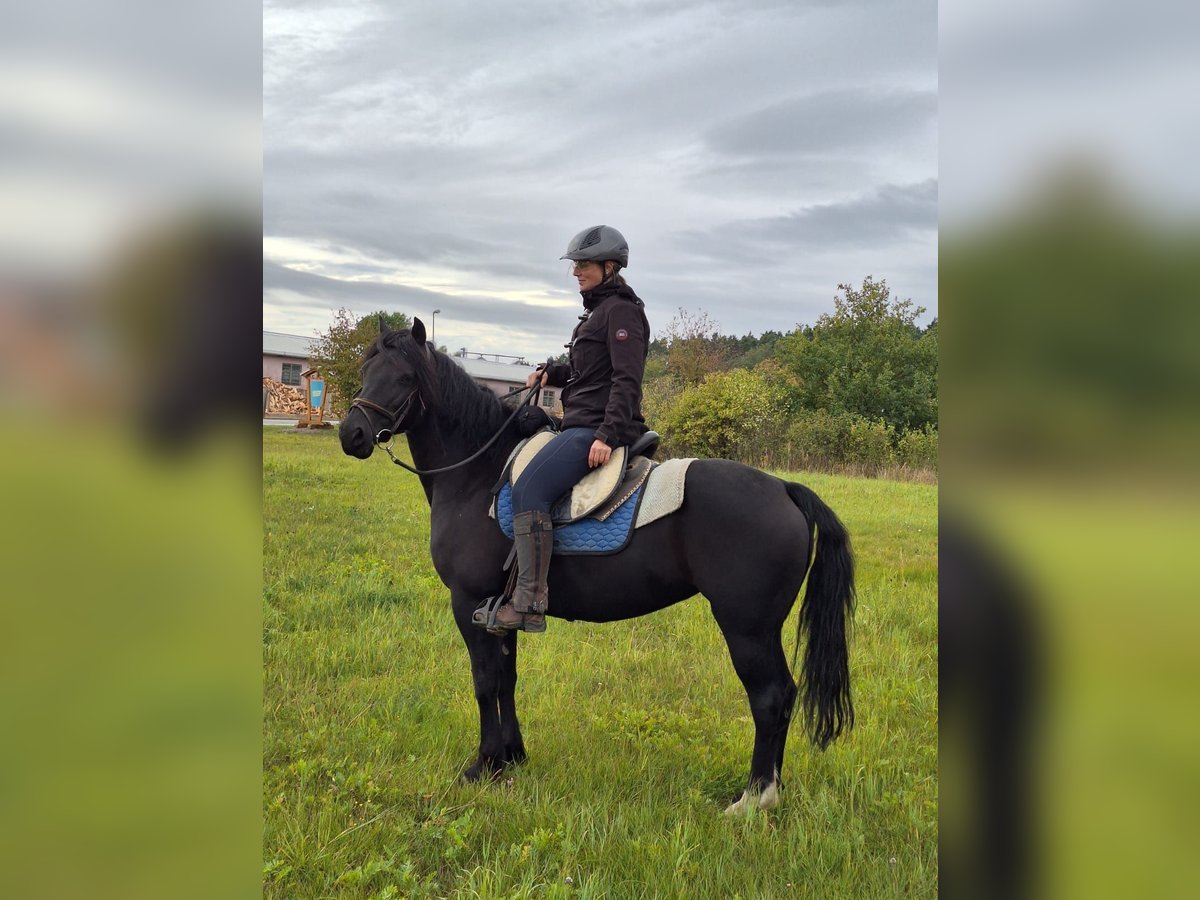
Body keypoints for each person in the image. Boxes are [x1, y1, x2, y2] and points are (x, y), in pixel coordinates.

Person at [488, 225, 650, 633]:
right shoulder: (598, 311)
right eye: (575, 265)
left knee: (529, 489)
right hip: (581, 421)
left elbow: (627, 381)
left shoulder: (622, 312)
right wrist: (553, 373)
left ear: (609, 266)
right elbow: (589, 372)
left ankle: (529, 602)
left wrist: (607, 435)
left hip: (596, 428)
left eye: (584, 264)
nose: (576, 271)